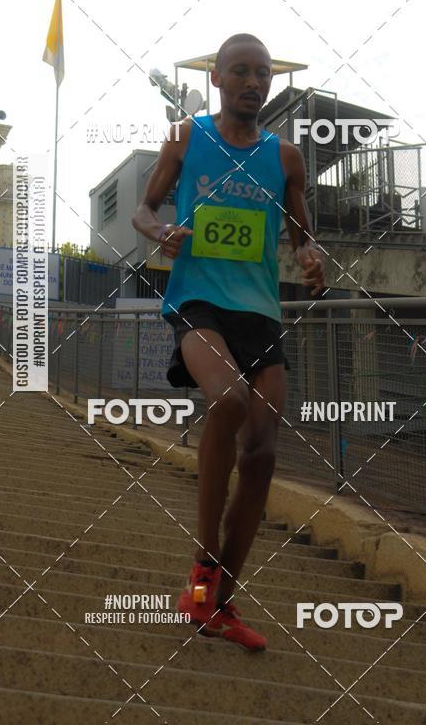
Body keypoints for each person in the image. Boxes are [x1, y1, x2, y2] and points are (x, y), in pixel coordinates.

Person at [132, 34, 325, 650]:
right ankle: (201, 569)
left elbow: (300, 234)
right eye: (240, 71)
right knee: (229, 401)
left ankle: (219, 601)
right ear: (217, 77)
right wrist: (158, 229)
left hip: (259, 315)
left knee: (264, 452)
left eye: (262, 74)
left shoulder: (286, 158)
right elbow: (143, 206)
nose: (253, 82)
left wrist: (311, 254)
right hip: (199, 301)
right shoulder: (187, 138)